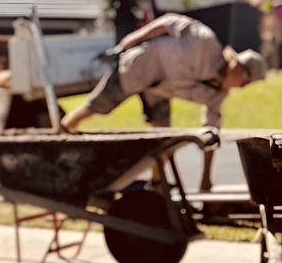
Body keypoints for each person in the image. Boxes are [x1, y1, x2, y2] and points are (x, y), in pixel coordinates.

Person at [61, 11, 267, 187]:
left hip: (159, 92)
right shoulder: (204, 41)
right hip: (139, 67)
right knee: (98, 106)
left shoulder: (217, 95)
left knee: (162, 141)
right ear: (238, 68)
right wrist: (133, 39)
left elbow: (211, 134)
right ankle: (58, 140)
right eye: (244, 82)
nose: (241, 88)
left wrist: (206, 180)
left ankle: (156, 186)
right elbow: (168, 20)